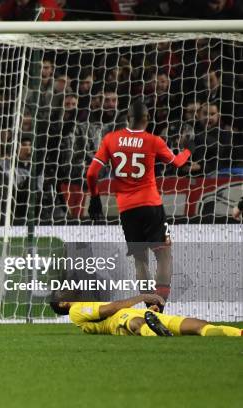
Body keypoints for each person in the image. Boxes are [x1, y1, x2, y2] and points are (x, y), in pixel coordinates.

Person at [86, 101, 194, 311]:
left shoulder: (111, 139)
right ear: (147, 119)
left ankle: (149, 305)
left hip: (127, 209)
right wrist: (189, 150)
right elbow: (179, 163)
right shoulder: (153, 141)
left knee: (139, 259)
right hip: (151, 205)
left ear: (127, 118)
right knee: (164, 254)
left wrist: (95, 197)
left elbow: (91, 173)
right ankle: (159, 308)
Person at [49, 292, 242, 337]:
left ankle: (238, 333)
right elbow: (110, 310)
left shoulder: (82, 305)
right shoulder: (75, 311)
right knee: (136, 322)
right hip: (118, 321)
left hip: (137, 312)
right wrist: (143, 296)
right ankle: (156, 331)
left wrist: (148, 309)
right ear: (63, 303)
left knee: (199, 325)